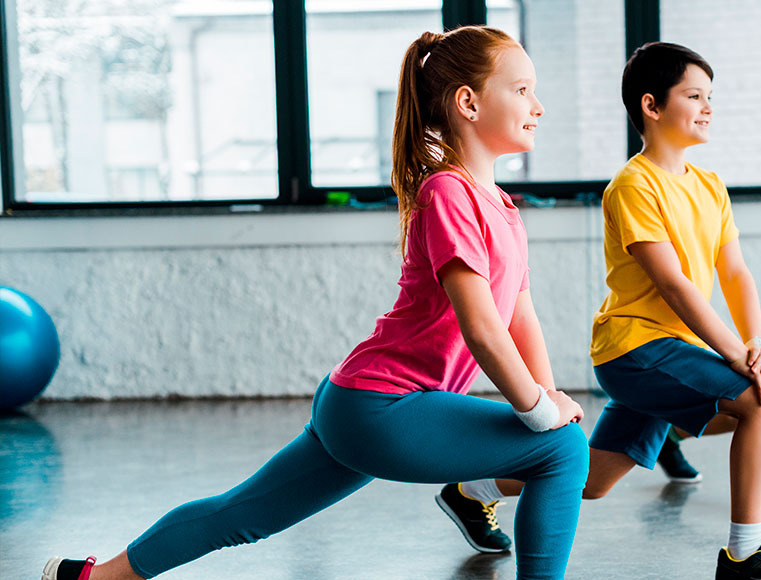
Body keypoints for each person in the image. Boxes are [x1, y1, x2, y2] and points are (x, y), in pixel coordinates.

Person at [42, 26, 588, 580]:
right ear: (468, 102)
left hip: (359, 403)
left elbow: (520, 313)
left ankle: (90, 577)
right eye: (522, 90)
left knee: (244, 515)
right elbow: (482, 327)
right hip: (382, 408)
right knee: (563, 452)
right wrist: (540, 414)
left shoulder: (502, 206)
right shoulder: (446, 191)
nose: (537, 106)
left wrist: (549, 396)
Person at [441, 42, 761, 580]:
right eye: (694, 95)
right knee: (760, 402)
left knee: (593, 479)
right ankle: (747, 554)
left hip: (675, 351)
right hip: (634, 350)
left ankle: (472, 489)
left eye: (710, 96)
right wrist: (739, 357)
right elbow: (673, 286)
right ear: (652, 105)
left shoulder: (711, 187)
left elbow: (735, 274)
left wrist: (759, 343)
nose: (708, 106)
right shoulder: (632, 185)